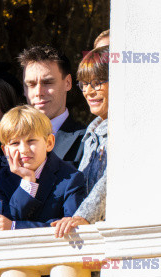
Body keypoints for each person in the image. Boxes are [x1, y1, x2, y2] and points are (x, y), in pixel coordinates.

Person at [0, 105, 86, 230]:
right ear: (5, 150)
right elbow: (14, 213)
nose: (24, 150)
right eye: (15, 143)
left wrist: (14, 227)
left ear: (49, 143)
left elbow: (73, 227)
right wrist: (28, 180)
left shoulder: (71, 179)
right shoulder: (5, 176)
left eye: (31, 141)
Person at [52, 46, 109, 237]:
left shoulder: (125, 131)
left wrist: (83, 217)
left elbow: (110, 181)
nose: (89, 91)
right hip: (87, 233)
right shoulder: (91, 135)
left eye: (98, 82)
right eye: (84, 84)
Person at [17, 46, 86, 168]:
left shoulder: (86, 141)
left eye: (48, 82)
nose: (39, 92)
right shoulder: (11, 141)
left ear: (68, 83)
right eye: (31, 84)